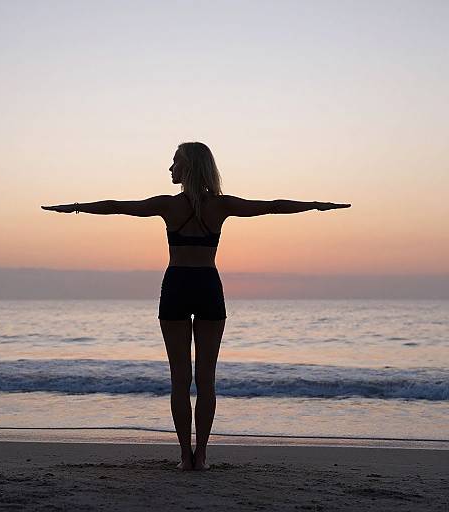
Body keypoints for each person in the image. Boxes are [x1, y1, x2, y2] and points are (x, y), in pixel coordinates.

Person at [41, 141, 351, 471]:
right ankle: (200, 456)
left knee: (180, 379)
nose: (170, 168)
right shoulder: (221, 206)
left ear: (189, 167)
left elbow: (116, 205)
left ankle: (185, 457)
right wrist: (319, 205)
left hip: (176, 286)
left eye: (175, 163)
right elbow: (273, 206)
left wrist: (73, 207)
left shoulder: (168, 206)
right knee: (206, 380)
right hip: (207, 286)